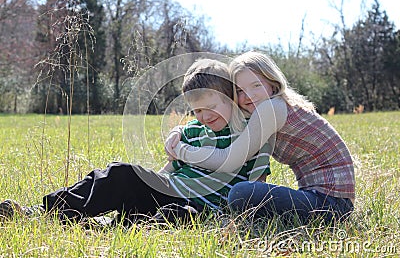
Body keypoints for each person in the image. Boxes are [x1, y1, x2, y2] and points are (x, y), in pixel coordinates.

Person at [0, 58, 271, 225]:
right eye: (197, 111)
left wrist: (233, 217)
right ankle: (41, 212)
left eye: (211, 107)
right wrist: (152, 178)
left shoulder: (251, 132)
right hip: (171, 190)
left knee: (176, 215)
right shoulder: (192, 130)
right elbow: (170, 171)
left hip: (202, 208)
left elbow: (256, 187)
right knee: (121, 175)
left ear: (230, 98)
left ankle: (118, 222)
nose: (204, 116)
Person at [165, 51, 355, 225]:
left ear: (273, 84)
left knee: (241, 193)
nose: (249, 95)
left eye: (256, 85)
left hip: (332, 204)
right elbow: (210, 118)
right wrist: (179, 131)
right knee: (245, 193)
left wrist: (181, 150)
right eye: (240, 90)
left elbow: (229, 160)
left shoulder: (272, 109)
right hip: (319, 197)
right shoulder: (263, 108)